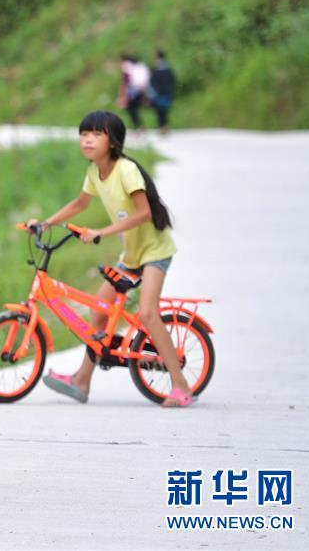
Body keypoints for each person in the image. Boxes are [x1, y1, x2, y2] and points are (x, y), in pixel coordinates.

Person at [26, 110, 193, 408]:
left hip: (155, 252)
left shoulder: (126, 170)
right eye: (84, 134)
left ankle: (181, 386)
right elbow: (80, 203)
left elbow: (143, 213)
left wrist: (102, 231)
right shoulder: (94, 172)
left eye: (96, 134)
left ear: (113, 142)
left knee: (148, 313)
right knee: (99, 313)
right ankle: (82, 381)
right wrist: (46, 223)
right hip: (129, 256)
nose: (88, 140)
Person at [117, 55, 150, 132]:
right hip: (140, 90)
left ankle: (138, 126)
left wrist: (122, 96)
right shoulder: (138, 67)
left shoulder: (126, 67)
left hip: (132, 92)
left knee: (131, 110)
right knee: (135, 109)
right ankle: (140, 126)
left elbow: (124, 83)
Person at [149, 49, 176, 135]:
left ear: (157, 56)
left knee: (159, 111)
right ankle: (165, 127)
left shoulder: (156, 69)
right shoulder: (168, 68)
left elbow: (152, 81)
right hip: (168, 92)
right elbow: (173, 80)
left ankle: (162, 127)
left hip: (159, 93)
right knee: (165, 110)